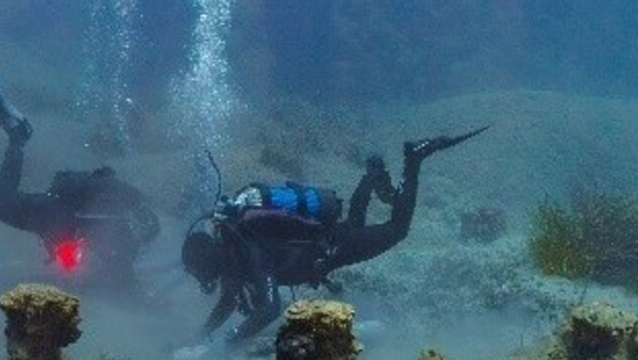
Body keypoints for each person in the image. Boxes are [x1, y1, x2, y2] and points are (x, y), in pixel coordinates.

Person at [181, 126, 488, 344]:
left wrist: (228, 343)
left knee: (398, 229)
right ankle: (372, 175)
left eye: (201, 272)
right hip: (330, 238)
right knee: (354, 222)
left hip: (334, 246)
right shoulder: (234, 250)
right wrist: (197, 338)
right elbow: (227, 302)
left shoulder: (249, 253)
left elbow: (270, 308)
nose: (203, 280)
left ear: (210, 259)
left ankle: (415, 157)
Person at [0, 57, 160, 289]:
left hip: (50, 211)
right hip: (52, 215)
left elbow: (76, 256)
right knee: (0, 202)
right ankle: (17, 139)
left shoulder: (111, 228)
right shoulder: (113, 236)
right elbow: (83, 261)